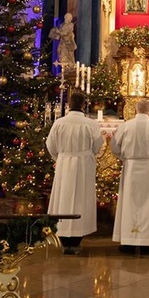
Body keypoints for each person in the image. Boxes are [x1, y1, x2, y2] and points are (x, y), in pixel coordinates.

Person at [111, 99, 149, 255]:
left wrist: (124, 158)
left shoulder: (126, 126)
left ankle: (129, 242)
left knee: (130, 203)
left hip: (131, 167)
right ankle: (147, 243)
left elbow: (114, 146)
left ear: (135, 111)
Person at [46, 92, 103, 255]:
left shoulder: (59, 122)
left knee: (64, 198)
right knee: (81, 199)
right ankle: (76, 240)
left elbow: (50, 145)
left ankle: (64, 240)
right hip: (83, 164)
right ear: (83, 105)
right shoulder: (90, 124)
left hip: (64, 163)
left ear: (69, 105)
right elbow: (97, 145)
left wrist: (61, 157)